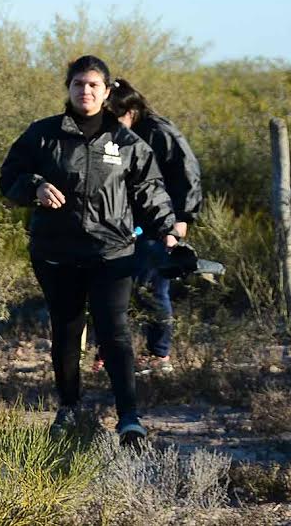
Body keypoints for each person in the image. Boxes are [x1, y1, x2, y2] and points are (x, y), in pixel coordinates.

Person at [0, 55, 177, 448]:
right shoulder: (43, 134)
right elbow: (8, 177)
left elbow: (151, 192)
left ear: (107, 90)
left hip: (112, 253)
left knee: (114, 331)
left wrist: (167, 230)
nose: (86, 91)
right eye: (79, 84)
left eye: (94, 85)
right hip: (56, 252)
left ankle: (129, 417)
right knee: (66, 328)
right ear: (68, 87)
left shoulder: (127, 142)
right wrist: (35, 187)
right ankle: (69, 408)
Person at [107, 78, 200, 375]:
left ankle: (158, 355)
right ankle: (108, 353)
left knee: (152, 287)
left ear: (130, 111)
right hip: (127, 223)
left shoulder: (159, 133)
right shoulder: (121, 135)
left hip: (160, 222)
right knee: (117, 288)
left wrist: (180, 220)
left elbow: (187, 173)